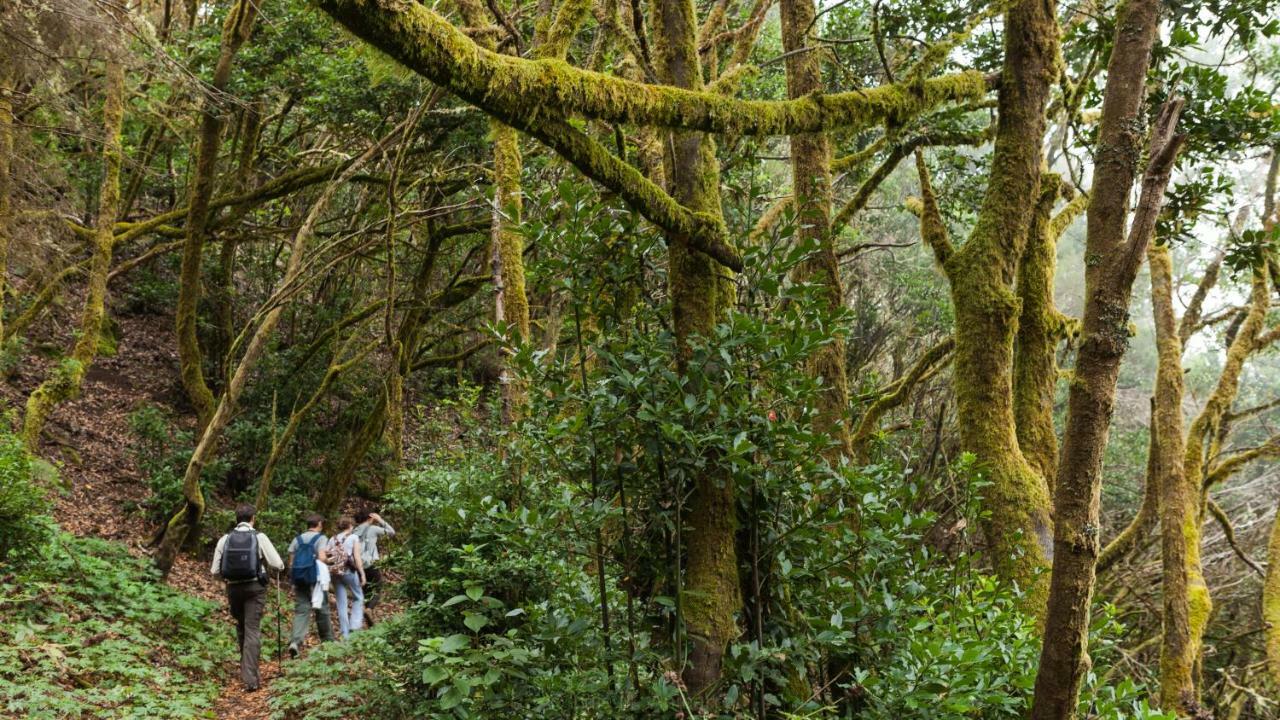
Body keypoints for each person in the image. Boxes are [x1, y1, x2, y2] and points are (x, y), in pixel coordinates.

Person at [210, 504, 284, 691]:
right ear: (253, 519)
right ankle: (250, 679)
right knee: (252, 629)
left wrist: (227, 580)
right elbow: (278, 564)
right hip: (254, 587)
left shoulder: (225, 539)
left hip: (233, 589)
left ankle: (247, 670)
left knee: (242, 627)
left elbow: (215, 571)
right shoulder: (259, 537)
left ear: (236, 519)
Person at [286, 513, 334, 656]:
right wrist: (331, 560)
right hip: (316, 578)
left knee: (301, 611)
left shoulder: (297, 539)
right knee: (322, 608)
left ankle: (295, 642)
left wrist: (294, 578)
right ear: (319, 524)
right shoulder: (321, 538)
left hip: (300, 578)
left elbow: (291, 562)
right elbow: (321, 557)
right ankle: (328, 641)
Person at [327, 516, 366, 639]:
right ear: (350, 526)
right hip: (348, 571)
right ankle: (354, 626)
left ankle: (345, 635)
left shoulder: (332, 539)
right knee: (358, 597)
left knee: (341, 603)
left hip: (335, 573)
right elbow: (357, 558)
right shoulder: (354, 537)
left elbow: (327, 555)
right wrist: (362, 573)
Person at [353, 508, 395, 624]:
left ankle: (366, 617)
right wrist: (380, 520)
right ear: (370, 517)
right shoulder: (372, 529)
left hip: (358, 565)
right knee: (378, 587)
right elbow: (391, 532)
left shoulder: (354, 530)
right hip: (371, 564)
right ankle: (369, 609)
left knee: (366, 589)